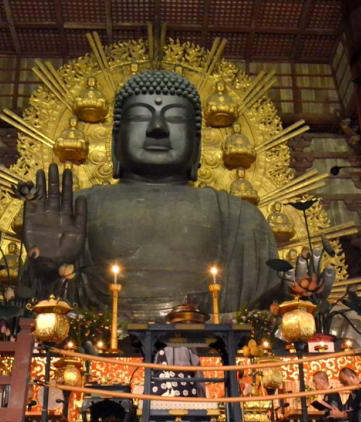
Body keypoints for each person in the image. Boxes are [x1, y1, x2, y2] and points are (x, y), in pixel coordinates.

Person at [22, 70, 283, 321]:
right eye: (139, 117)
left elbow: (266, 312)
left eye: (176, 118)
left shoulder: (241, 218)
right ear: (115, 140)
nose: (157, 127)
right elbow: (31, 312)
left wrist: (293, 291)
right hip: (89, 345)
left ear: (197, 143)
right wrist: (45, 270)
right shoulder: (74, 210)